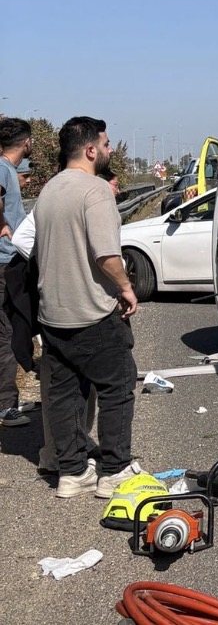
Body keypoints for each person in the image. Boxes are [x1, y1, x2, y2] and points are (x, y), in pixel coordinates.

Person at [35, 116, 142, 498]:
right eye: (108, 144)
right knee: (116, 387)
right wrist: (126, 288)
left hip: (53, 316)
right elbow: (106, 254)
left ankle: (72, 471)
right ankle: (114, 470)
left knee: (65, 397)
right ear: (91, 149)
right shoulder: (94, 191)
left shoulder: (48, 191)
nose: (111, 150)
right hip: (93, 313)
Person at [13, 167, 108, 473]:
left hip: (71, 300)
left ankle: (77, 443)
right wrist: (50, 266)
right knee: (59, 384)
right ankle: (55, 454)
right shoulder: (56, 198)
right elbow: (22, 239)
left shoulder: (77, 200)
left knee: (82, 382)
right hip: (55, 302)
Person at [0, 118, 34, 426]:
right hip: (4, 263)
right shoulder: (2, 169)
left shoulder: (8, 171)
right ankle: (5, 406)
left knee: (12, 329)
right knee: (8, 334)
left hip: (9, 260)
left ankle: (9, 401)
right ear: (25, 143)